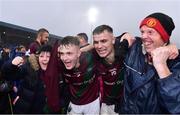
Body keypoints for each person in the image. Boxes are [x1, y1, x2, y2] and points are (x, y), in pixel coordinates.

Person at [120, 12, 180, 114]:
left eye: (150, 32)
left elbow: (176, 107)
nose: (144, 36)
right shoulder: (135, 47)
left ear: (164, 36)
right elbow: (106, 45)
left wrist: (162, 66)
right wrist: (124, 35)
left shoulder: (176, 62)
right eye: (142, 32)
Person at [1, 44, 61, 113]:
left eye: (48, 56)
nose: (45, 59)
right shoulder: (29, 67)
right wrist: (11, 65)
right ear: (38, 57)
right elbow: (7, 75)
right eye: (41, 56)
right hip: (22, 109)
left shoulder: (57, 74)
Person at [92, 25, 134, 114]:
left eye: (104, 41)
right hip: (105, 103)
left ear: (113, 40)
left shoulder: (126, 52)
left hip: (125, 104)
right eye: (96, 42)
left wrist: (170, 47)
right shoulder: (94, 56)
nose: (99, 46)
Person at [58, 36, 100, 114]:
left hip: (93, 102)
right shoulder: (60, 63)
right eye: (62, 53)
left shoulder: (90, 58)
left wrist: (125, 35)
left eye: (69, 53)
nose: (64, 58)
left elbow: (104, 43)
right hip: (74, 103)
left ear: (79, 53)